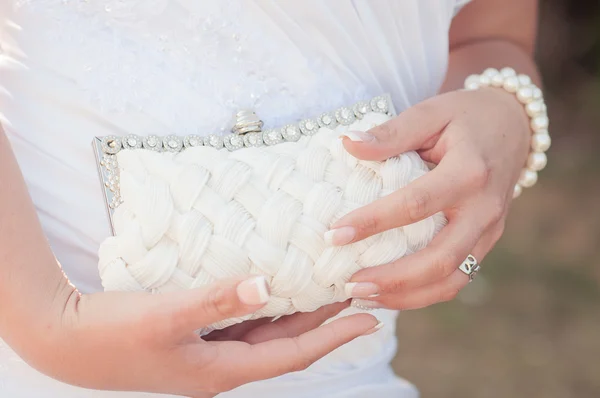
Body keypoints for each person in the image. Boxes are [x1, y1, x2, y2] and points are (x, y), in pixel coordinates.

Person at [0, 0, 541, 397]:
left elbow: (490, 31)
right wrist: (47, 327)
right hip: (50, 349)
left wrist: (506, 110)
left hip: (348, 364)